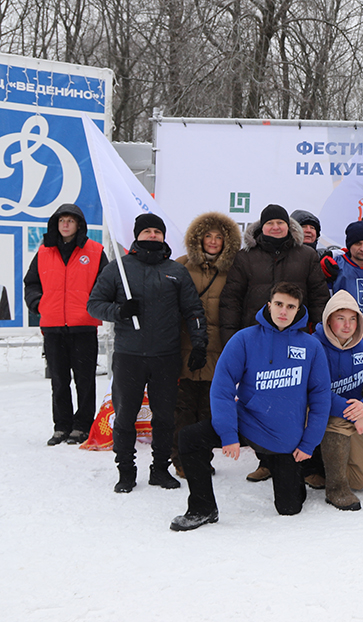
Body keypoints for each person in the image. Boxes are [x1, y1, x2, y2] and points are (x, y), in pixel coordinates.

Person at [170, 283, 331, 530]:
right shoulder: (244, 339)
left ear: (299, 311)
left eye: (291, 307)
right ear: (269, 305)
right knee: (189, 438)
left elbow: (321, 398)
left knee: (289, 508)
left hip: (282, 437)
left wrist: (309, 443)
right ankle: (202, 508)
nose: (283, 312)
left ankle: (291, 475)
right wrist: (228, 434)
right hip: (247, 422)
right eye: (279, 304)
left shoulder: (311, 347)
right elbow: (222, 388)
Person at [88, 213, 207, 493]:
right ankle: (126, 471)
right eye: (147, 231)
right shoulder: (119, 268)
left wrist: (199, 342)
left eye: (157, 231)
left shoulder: (176, 271)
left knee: (164, 417)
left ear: (163, 236)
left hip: (166, 357)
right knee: (125, 415)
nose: (153, 235)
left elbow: (193, 311)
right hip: (129, 356)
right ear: (137, 235)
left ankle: (159, 469)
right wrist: (118, 312)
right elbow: (94, 304)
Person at [220, 203, 330, 482]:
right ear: (261, 227)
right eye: (270, 223)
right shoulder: (246, 257)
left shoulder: (305, 255)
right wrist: (230, 337)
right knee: (260, 401)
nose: (276, 227)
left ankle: (310, 465)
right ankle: (266, 460)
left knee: (302, 401)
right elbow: (231, 298)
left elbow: (318, 295)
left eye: (280, 223)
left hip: (297, 339)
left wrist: (319, 334)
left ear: (288, 227)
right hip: (258, 340)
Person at [24, 203, 108, 446]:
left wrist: (92, 305)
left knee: (84, 380)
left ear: (79, 224)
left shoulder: (94, 251)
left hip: (83, 326)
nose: (65, 224)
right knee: (59, 380)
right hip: (52, 327)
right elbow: (31, 283)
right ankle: (61, 426)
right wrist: (39, 304)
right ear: (56, 224)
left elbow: (104, 285)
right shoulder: (43, 252)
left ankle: (82, 426)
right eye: (62, 220)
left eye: (70, 220)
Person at [304, 290, 363, 510]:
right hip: (316, 412)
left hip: (350, 415)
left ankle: (324, 467)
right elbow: (315, 391)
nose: (347, 325)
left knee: (362, 479)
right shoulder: (314, 346)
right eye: (340, 318)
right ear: (328, 320)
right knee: (337, 424)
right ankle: (336, 488)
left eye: (353, 319)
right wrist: (351, 413)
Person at [171, 211, 242, 477]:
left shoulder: (234, 270)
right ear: (197, 239)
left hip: (219, 351)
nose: (213, 241)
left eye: (218, 237)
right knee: (183, 408)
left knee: (209, 410)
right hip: (187, 348)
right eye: (208, 236)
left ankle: (201, 458)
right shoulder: (181, 266)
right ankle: (180, 459)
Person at [321, 218, 363, 470]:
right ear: (349, 246)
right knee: (340, 392)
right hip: (342, 342)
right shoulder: (338, 265)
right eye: (357, 244)